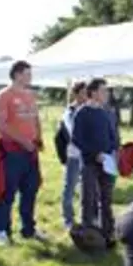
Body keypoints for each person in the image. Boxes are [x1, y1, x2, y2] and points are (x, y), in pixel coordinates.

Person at [0, 60, 45, 246]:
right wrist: (23, 141)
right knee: (6, 192)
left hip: (30, 152)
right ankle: (1, 230)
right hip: (11, 151)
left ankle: (28, 228)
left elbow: (35, 118)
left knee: (30, 190)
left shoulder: (30, 95)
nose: (30, 77)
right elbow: (0, 124)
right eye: (28, 74)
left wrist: (38, 138)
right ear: (17, 74)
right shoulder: (3, 96)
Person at [72, 78, 118, 248]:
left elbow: (113, 136)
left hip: (107, 163)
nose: (107, 94)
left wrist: (112, 151)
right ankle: (87, 236)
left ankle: (108, 234)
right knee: (89, 199)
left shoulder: (106, 112)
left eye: (107, 91)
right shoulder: (82, 113)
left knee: (106, 199)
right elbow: (77, 139)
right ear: (93, 93)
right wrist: (94, 154)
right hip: (90, 163)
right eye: (103, 91)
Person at [55, 81, 88, 230]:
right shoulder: (70, 112)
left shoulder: (89, 109)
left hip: (87, 156)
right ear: (76, 94)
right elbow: (73, 133)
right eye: (84, 93)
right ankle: (68, 220)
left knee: (86, 188)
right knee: (69, 188)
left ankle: (86, 219)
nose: (87, 96)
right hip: (73, 156)